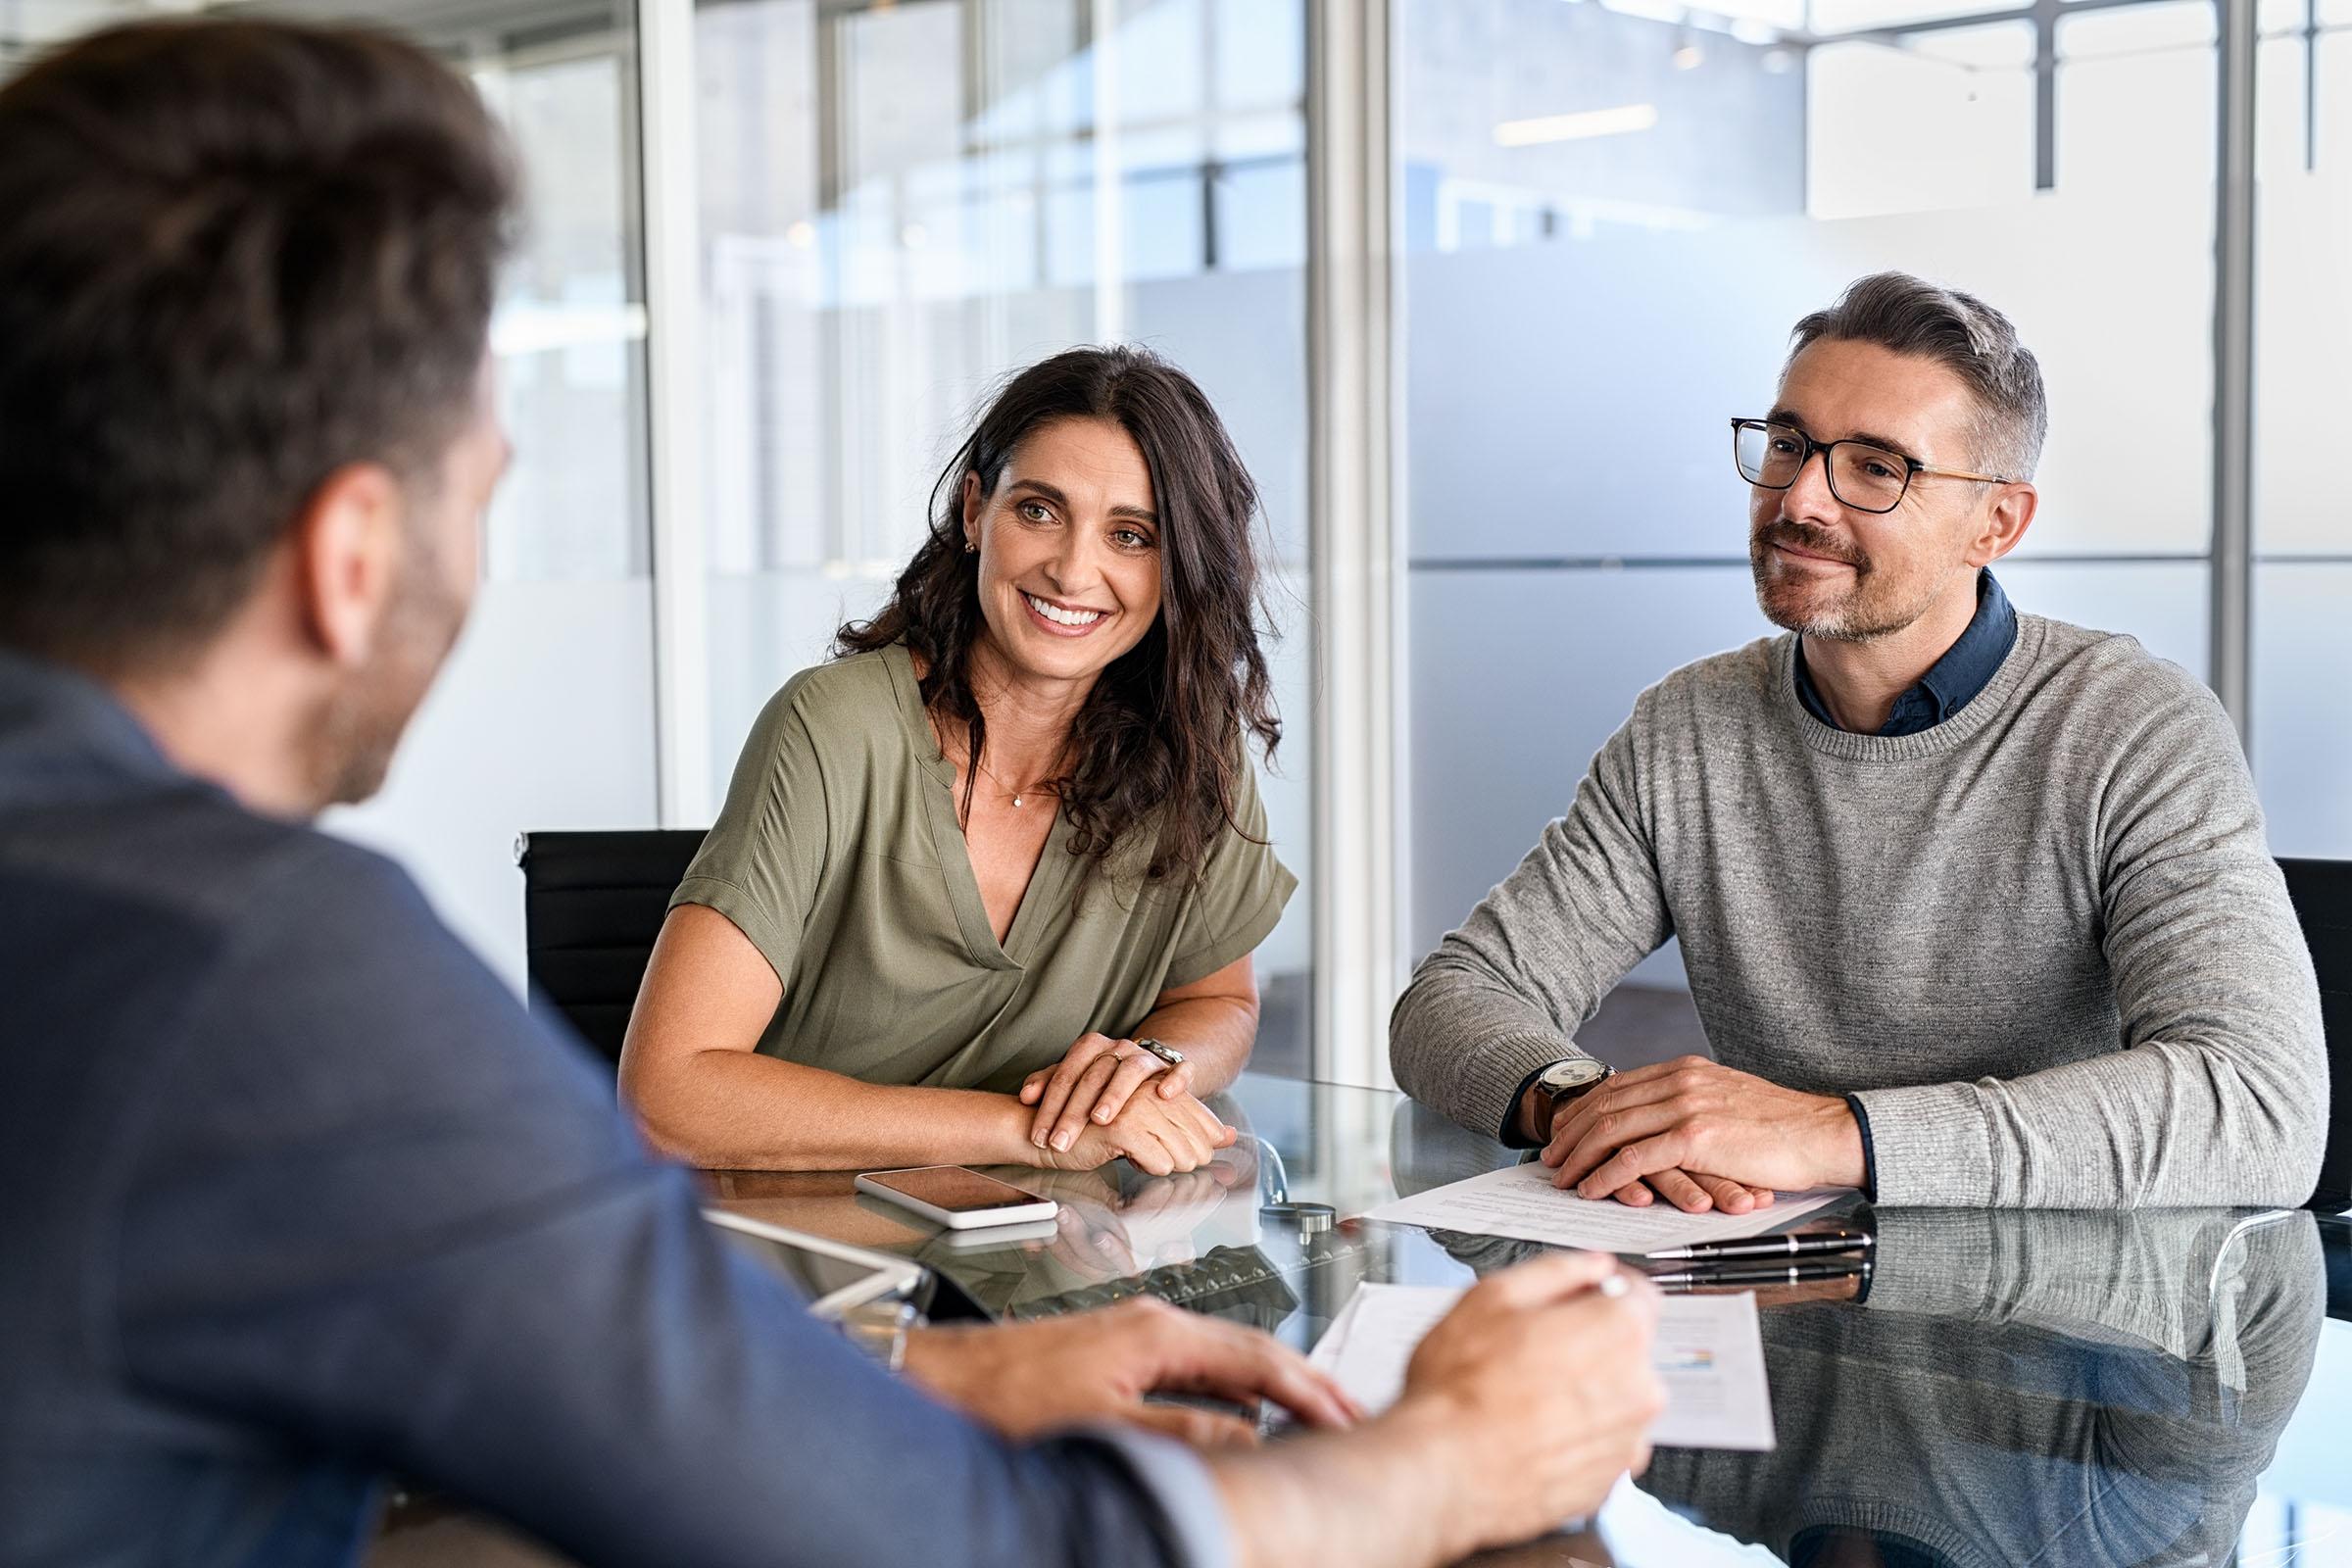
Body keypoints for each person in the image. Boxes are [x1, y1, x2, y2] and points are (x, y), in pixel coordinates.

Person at [0, 18, 1667, 1568]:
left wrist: (929, 1386)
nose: (1078, 564)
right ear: (352, 556)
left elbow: (475, 1408)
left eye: (1136, 534)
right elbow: (960, 1543)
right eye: (489, 484)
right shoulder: (267, 979)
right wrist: (1440, 1457)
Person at [1392, 271, 2328, 1213]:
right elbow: (1451, 1001)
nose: (1801, 500)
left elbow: (2257, 1108)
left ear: (1995, 523)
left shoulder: (2132, 729)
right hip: (1772, 1291)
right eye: (1789, 444)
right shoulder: (1688, 728)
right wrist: (1588, 1108)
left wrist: (1830, 1132)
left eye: (1878, 467)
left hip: (2071, 1320)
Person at [621, 346, 1296, 1174]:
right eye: (1040, 511)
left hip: (1044, 1265)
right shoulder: (833, 727)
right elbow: (668, 1096)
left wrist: (1152, 1065)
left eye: (1131, 535)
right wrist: (1029, 1135)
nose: (1074, 569)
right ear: (975, 512)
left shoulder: (1195, 750)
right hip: (795, 1259)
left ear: (1178, 564)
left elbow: (1217, 998)